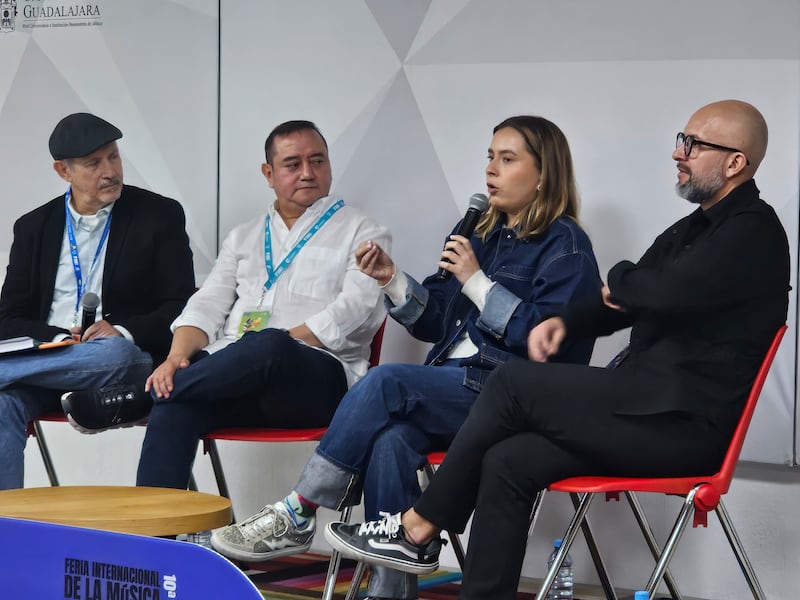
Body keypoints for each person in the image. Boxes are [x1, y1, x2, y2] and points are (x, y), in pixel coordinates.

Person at [323, 99, 791, 599]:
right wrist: (564, 324)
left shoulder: (753, 231)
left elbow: (655, 291)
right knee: (508, 460)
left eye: (693, 145)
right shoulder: (691, 229)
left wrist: (623, 276)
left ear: (734, 162)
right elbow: (624, 304)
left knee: (510, 382)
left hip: (682, 426)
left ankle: (418, 527)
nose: (680, 153)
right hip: (644, 407)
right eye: (682, 139)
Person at [212, 115, 602, 600]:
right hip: (459, 386)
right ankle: (391, 590)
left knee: (387, 382)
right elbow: (436, 321)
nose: (491, 170)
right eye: (489, 157)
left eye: (507, 159)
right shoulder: (479, 232)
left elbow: (555, 345)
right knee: (390, 440)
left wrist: (478, 283)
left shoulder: (566, 245)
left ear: (544, 174)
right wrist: (391, 279)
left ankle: (299, 509)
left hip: (513, 394)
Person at [135, 120, 390, 489]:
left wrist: (273, 346)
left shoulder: (362, 230)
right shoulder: (244, 236)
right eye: (292, 164)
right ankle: (155, 543)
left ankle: (136, 399)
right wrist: (175, 358)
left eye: (317, 161)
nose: (308, 172)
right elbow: (206, 303)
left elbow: (356, 310)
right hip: (233, 379)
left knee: (268, 343)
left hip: (315, 382)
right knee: (174, 404)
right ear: (268, 173)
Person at [0, 112, 196, 490]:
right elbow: (7, 318)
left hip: (119, 367)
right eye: (94, 163)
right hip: (47, 365)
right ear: (63, 171)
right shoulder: (33, 227)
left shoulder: (159, 215)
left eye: (113, 157)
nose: (110, 171)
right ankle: (6, 537)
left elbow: (181, 306)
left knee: (115, 352)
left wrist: (120, 329)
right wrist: (58, 338)